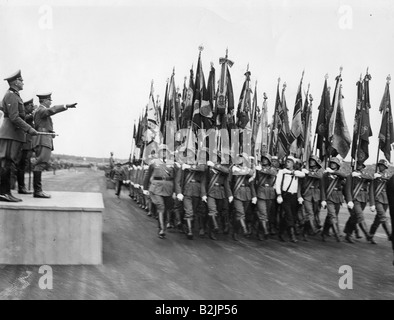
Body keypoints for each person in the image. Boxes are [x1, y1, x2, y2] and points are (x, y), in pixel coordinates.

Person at [0, 70, 38, 202]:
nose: (23, 83)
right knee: (6, 162)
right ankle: (4, 193)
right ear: (16, 82)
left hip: (13, 133)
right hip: (10, 133)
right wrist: (29, 129)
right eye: (21, 80)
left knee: (9, 162)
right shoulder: (11, 95)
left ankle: (6, 192)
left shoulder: (14, 95)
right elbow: (14, 117)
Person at [32, 92, 77, 198]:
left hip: (45, 138)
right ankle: (37, 191)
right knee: (40, 163)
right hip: (43, 139)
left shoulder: (40, 111)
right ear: (44, 101)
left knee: (41, 163)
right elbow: (52, 110)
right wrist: (65, 106)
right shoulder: (41, 110)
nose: (50, 102)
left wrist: (50, 131)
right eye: (49, 100)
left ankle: (38, 190)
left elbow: (44, 124)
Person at [143, 144, 175, 239]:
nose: (164, 153)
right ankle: (162, 229)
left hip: (168, 188)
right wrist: (145, 188)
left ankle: (163, 225)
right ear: (159, 152)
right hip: (156, 188)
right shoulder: (153, 162)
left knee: (166, 208)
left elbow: (175, 178)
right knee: (161, 207)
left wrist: (175, 191)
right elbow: (148, 176)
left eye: (165, 151)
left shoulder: (171, 163)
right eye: (162, 151)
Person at [175, 148, 206, 240]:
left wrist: (189, 167)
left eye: (191, 154)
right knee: (189, 211)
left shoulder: (199, 165)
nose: (189, 156)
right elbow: (177, 181)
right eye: (187, 154)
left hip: (197, 191)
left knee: (195, 211)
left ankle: (188, 226)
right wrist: (179, 192)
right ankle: (189, 231)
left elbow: (203, 169)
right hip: (187, 191)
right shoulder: (182, 166)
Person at [202, 150, 231, 240]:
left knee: (217, 212)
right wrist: (203, 194)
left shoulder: (222, 168)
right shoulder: (208, 168)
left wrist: (229, 194)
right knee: (212, 210)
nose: (214, 159)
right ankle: (214, 227)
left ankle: (211, 230)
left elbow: (227, 173)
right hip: (210, 191)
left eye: (216, 157)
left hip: (221, 192)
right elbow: (203, 181)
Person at [275, 155, 305, 242]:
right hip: (285, 196)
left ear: (293, 163)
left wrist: (293, 172)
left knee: (291, 215)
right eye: (286, 162)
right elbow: (278, 183)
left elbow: (303, 175)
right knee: (289, 215)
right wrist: (279, 195)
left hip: (294, 196)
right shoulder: (282, 172)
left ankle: (281, 232)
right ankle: (292, 235)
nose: (287, 163)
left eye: (289, 162)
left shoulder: (296, 172)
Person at [343, 161, 374, 244]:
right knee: (359, 216)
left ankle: (348, 234)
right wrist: (349, 200)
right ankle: (367, 234)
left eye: (361, 165)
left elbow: (371, 177)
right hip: (355, 199)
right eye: (358, 164)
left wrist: (360, 175)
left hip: (363, 199)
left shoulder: (365, 175)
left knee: (354, 217)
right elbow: (347, 189)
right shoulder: (350, 176)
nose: (359, 166)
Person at [230, 153, 256, 241]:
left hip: (247, 193)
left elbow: (251, 178)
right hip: (237, 192)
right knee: (240, 212)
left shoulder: (248, 169)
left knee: (241, 214)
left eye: (242, 158)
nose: (240, 159)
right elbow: (236, 173)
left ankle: (235, 231)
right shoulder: (234, 168)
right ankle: (245, 229)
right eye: (239, 157)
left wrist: (254, 196)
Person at [320, 157, 347, 242]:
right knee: (332, 215)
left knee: (331, 216)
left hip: (338, 197)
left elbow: (344, 175)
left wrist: (333, 172)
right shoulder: (325, 174)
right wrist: (323, 199)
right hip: (329, 197)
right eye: (331, 163)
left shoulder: (338, 174)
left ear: (337, 165)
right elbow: (323, 187)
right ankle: (337, 234)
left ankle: (324, 232)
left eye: (334, 163)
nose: (332, 164)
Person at [299, 155, 324, 240]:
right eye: (310, 161)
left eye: (313, 161)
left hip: (316, 195)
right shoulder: (305, 170)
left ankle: (305, 231)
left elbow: (319, 176)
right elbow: (301, 184)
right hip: (307, 194)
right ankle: (314, 229)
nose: (311, 162)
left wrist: (309, 173)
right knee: (309, 213)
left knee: (313, 213)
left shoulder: (319, 171)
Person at [369, 159, 392, 244]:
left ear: (385, 167)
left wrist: (381, 177)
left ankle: (370, 235)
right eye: (379, 165)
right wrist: (372, 203)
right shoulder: (375, 176)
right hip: (378, 199)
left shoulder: (388, 176)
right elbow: (371, 190)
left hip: (386, 200)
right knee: (383, 217)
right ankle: (390, 235)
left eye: (382, 165)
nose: (380, 167)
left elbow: (390, 181)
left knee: (378, 220)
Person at [254, 154, 277, 240]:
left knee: (266, 213)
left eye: (266, 159)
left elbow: (273, 173)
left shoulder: (272, 169)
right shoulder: (258, 169)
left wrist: (262, 169)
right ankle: (264, 231)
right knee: (263, 213)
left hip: (270, 193)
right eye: (263, 159)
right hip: (261, 192)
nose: (264, 160)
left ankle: (260, 230)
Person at [16, 98, 36, 194]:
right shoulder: (24, 116)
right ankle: (21, 187)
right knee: (21, 166)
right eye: (31, 106)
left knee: (22, 165)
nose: (32, 107)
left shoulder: (29, 116)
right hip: (22, 144)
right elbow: (25, 119)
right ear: (26, 106)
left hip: (27, 144)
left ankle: (21, 187)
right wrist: (33, 114)